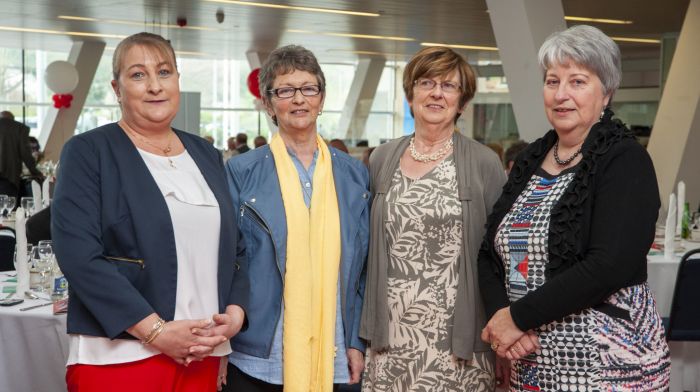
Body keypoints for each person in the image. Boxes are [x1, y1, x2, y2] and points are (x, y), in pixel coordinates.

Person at [51, 32, 248, 391]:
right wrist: (155, 331)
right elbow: (79, 256)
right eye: (138, 75)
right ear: (117, 88)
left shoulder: (205, 154)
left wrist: (235, 315)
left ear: (177, 80)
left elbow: (236, 249)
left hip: (202, 352)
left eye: (165, 72)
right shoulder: (89, 151)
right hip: (121, 355)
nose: (155, 86)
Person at [478, 25, 670, 391]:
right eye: (552, 81)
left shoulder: (624, 159)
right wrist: (503, 320)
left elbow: (609, 265)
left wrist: (516, 318)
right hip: (530, 359)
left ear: (606, 92)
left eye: (578, 82)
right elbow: (489, 252)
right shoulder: (530, 159)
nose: (561, 94)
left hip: (608, 361)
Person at [223, 44, 369, 392]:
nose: (299, 99)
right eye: (285, 90)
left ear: (321, 96)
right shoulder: (241, 171)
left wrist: (356, 340)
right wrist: (220, 346)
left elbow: (362, 269)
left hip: (334, 350)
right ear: (269, 103)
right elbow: (227, 261)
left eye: (308, 88)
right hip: (260, 354)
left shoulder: (353, 174)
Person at [360, 46, 506, 391]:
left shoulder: (484, 163)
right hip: (390, 332)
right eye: (426, 83)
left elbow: (501, 254)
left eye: (449, 86)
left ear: (463, 101)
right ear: (411, 94)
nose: (436, 93)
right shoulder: (382, 158)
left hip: (458, 335)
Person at [0, 111, 42, 197]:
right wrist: (35, 172)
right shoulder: (20, 128)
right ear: (12, 119)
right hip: (10, 176)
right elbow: (25, 153)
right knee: (9, 205)